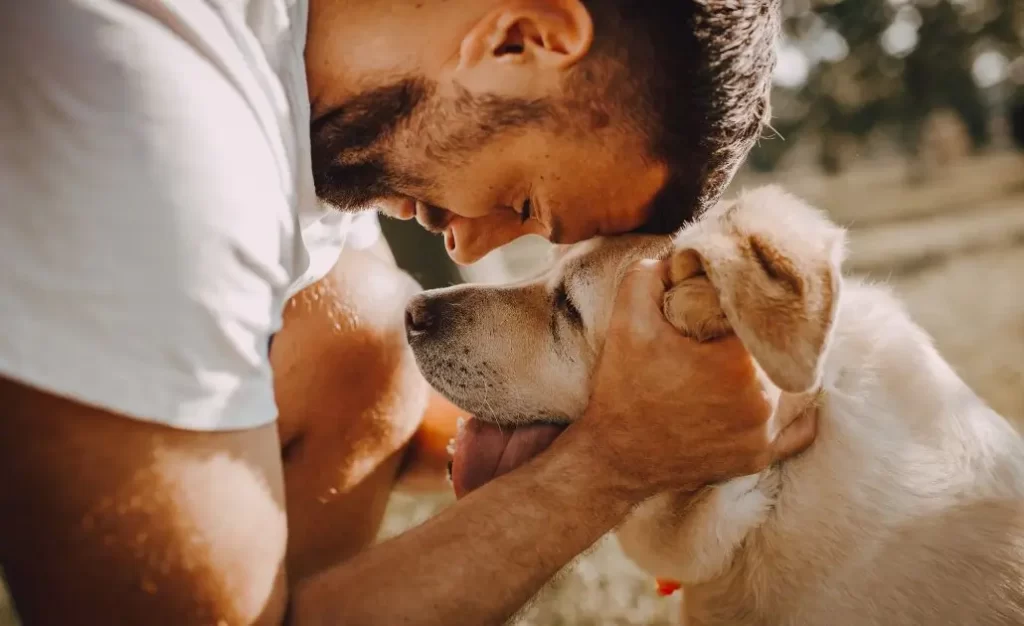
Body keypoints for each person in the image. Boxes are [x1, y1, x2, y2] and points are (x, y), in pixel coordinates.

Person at [0, 1, 814, 625]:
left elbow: (383, 413)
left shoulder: (306, 98)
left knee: (360, 331)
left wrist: (667, 416)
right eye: (522, 198)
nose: (466, 244)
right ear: (521, 38)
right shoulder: (162, 117)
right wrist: (613, 465)